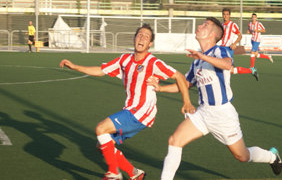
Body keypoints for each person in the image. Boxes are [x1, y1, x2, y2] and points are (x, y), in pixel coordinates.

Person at [147, 17, 282, 180]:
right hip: (203, 113)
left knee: (242, 156)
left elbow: (226, 65)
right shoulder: (197, 61)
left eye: (206, 25)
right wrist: (160, 87)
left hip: (223, 115)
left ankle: (272, 157)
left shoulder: (220, 50)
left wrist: (202, 57)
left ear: (213, 35)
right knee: (175, 140)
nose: (200, 25)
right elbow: (185, 84)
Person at [59, 24, 195, 180]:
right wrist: (75, 66)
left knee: (101, 128)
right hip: (131, 110)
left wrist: (186, 102)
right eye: (139, 35)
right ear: (134, 38)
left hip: (142, 111)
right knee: (103, 144)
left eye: (146, 36)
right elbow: (101, 70)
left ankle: (114, 173)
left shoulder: (153, 63)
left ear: (150, 44)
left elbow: (179, 76)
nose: (142, 38)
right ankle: (134, 173)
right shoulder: (124, 60)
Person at [221, 8, 258, 80]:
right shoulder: (222, 25)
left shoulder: (232, 25)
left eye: (227, 14)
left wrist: (234, 44)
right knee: (231, 70)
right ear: (222, 15)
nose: (225, 16)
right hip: (222, 49)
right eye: (224, 14)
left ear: (229, 15)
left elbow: (240, 36)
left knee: (225, 69)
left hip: (228, 49)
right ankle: (251, 70)